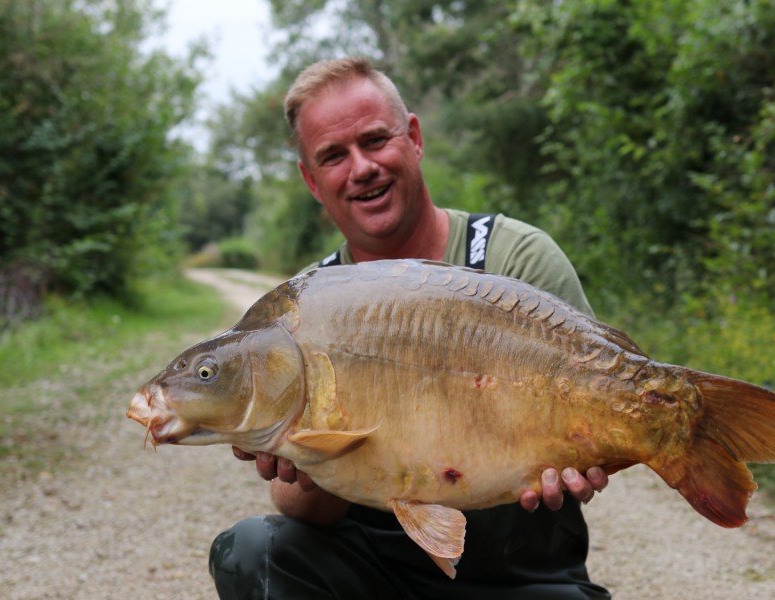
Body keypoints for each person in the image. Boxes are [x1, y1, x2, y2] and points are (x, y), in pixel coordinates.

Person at [208, 57, 611, 600]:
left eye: (375, 140)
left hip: (522, 575)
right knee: (254, 550)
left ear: (414, 138)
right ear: (310, 179)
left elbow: (602, 411)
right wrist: (300, 458)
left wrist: (585, 459)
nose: (361, 168)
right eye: (333, 155)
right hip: (374, 575)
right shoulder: (302, 310)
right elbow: (307, 512)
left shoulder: (516, 257)